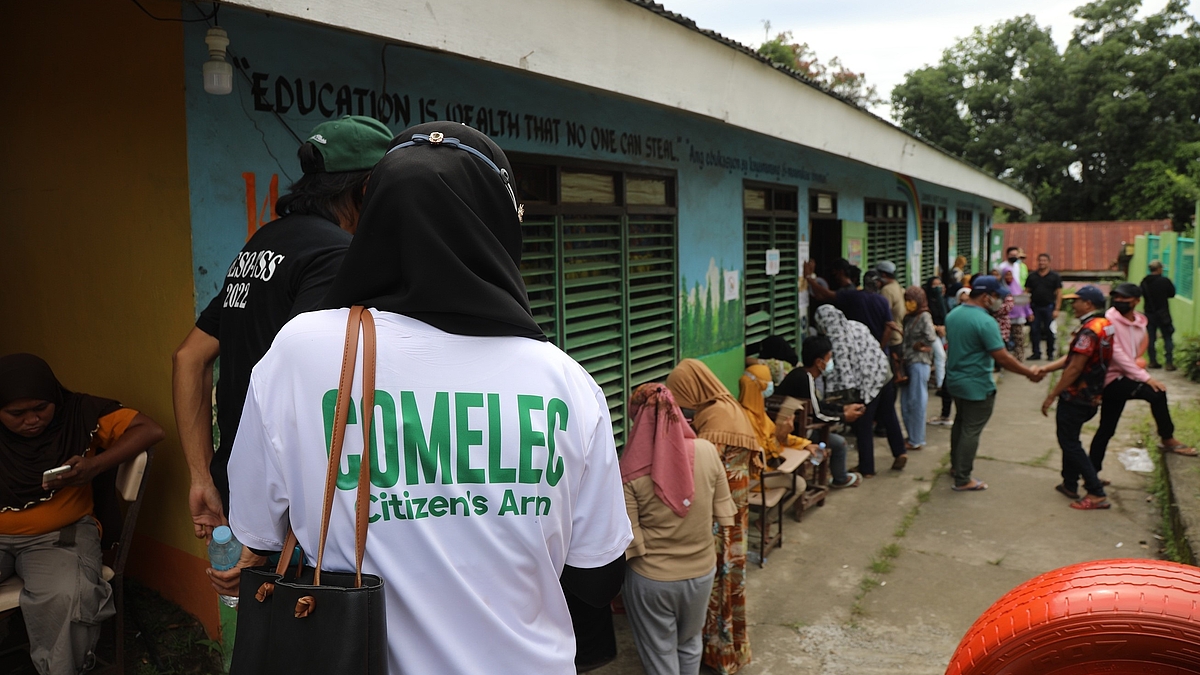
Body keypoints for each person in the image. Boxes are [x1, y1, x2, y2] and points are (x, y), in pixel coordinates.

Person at [226, 122, 632, 675]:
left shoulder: (302, 352)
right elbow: (596, 575)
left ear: (376, 223)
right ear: (499, 231)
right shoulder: (565, 382)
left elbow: (256, 530)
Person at [172, 115, 392, 554]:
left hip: (238, 483)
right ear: (368, 190)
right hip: (292, 507)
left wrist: (200, 476)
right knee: (308, 617)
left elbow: (189, 357)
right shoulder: (336, 255)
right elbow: (306, 391)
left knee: (260, 613)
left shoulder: (262, 242)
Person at [0, 354, 164, 675]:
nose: (31, 419)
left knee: (68, 595)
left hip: (60, 535)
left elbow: (150, 429)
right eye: (16, 413)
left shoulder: (79, 414)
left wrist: (95, 466)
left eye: (40, 408)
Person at [621, 383, 735, 675]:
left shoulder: (629, 472)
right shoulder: (708, 451)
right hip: (702, 573)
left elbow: (631, 540)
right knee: (690, 642)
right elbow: (724, 512)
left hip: (653, 579)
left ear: (638, 418)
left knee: (660, 652)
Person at [665, 359, 759, 675]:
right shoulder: (726, 406)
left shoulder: (715, 423)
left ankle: (717, 655)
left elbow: (702, 474)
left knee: (716, 580)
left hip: (721, 521)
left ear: (692, 389)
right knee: (730, 581)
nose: (678, 402)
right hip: (736, 515)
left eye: (679, 393)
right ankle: (730, 650)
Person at [943, 276, 1044, 491]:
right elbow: (1002, 357)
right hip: (976, 384)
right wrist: (1028, 372)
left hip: (954, 380)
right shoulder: (986, 322)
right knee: (971, 429)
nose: (998, 300)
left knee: (961, 423)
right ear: (986, 296)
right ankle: (963, 477)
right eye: (996, 296)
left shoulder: (953, 315)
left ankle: (956, 466)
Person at [1090, 284, 1196, 471]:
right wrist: (1145, 378)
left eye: (1125, 298)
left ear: (1137, 301)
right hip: (1111, 379)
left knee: (1107, 429)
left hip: (1125, 377)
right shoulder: (1108, 321)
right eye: (1117, 298)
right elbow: (1117, 353)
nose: (1119, 302)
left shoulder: (1140, 323)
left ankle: (1092, 473)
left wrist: (1137, 366)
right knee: (1156, 392)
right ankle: (1167, 438)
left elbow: (1135, 350)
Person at [1037, 286, 1114, 510]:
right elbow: (1072, 357)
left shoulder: (1090, 331)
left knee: (1070, 443)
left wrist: (1052, 394)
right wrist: (1045, 369)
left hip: (1078, 395)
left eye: (1077, 301)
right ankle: (1069, 483)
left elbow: (1074, 368)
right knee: (1071, 438)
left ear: (1089, 304)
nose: (1073, 305)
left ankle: (1095, 491)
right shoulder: (1105, 326)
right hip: (1092, 395)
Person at [813, 305, 907, 475]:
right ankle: (900, 451)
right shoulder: (856, 325)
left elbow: (843, 373)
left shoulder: (834, 341)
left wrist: (836, 398)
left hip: (866, 384)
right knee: (889, 414)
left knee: (863, 425)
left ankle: (867, 468)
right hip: (883, 373)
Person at [775, 335, 865, 488]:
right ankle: (840, 479)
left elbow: (817, 405)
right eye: (829, 358)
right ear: (819, 362)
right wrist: (844, 417)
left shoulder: (799, 374)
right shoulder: (806, 379)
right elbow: (818, 415)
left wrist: (842, 408)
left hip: (792, 426)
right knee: (839, 443)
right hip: (798, 432)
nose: (830, 363)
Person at [805, 259, 894, 345]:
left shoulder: (853, 295)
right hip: (874, 346)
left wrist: (809, 278)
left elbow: (826, 294)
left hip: (857, 343)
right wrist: (880, 348)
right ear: (878, 283)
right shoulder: (883, 301)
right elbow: (889, 326)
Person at [738, 364, 810, 466]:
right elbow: (763, 453)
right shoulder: (745, 419)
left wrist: (805, 444)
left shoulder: (760, 414)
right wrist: (781, 435)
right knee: (799, 482)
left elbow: (772, 434)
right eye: (769, 381)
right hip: (757, 476)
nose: (771, 384)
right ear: (760, 386)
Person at [901, 286, 938, 451]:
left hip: (919, 362)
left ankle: (917, 439)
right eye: (907, 300)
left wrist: (920, 346)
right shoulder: (908, 317)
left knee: (917, 401)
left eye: (911, 300)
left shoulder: (924, 316)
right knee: (905, 403)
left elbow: (931, 338)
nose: (908, 304)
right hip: (908, 362)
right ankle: (911, 436)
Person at [1024, 253, 1062, 361]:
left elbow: (1059, 293)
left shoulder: (1055, 276)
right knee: (1034, 330)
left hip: (1049, 307)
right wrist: (1027, 310)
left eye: (1044, 260)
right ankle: (1036, 353)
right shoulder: (1032, 276)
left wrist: (1057, 309)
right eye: (1040, 260)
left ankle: (1050, 353)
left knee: (1049, 331)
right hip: (1035, 307)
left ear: (1049, 262)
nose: (1042, 263)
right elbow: (1026, 293)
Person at [1140, 260, 1176, 370]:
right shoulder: (1165, 281)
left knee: (1151, 338)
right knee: (1167, 337)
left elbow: (1141, 293)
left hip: (1149, 314)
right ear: (1159, 269)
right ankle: (1169, 363)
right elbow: (1172, 293)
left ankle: (1152, 361)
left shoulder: (1144, 282)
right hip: (1163, 313)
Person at [1001, 268, 1030, 362]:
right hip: (1005, 318)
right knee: (1005, 340)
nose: (1009, 277)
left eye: (1010, 274)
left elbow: (1024, 301)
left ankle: (1019, 359)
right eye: (1006, 275)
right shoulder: (1001, 287)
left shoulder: (1017, 286)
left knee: (1019, 339)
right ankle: (1005, 360)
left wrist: (1029, 312)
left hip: (1018, 316)